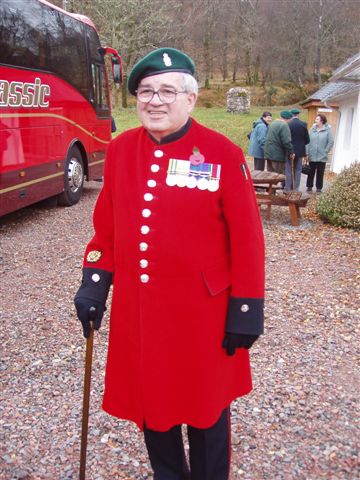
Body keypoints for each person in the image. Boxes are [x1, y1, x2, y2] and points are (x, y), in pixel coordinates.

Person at [74, 47, 265, 480]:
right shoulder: (120, 151)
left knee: (206, 410)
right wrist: (94, 282)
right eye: (145, 92)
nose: (154, 101)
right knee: (152, 405)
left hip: (205, 314)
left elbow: (249, 240)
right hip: (139, 312)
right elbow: (107, 228)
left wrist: (247, 308)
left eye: (166, 91)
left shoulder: (221, 152)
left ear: (190, 99)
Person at [306, 113, 334, 193]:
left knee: (320, 172)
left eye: (317, 119)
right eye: (316, 119)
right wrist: (307, 152)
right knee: (310, 171)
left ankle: (319, 188)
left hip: (322, 156)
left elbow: (331, 141)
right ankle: (309, 186)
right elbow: (307, 141)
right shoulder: (312, 129)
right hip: (312, 154)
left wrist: (326, 151)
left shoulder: (327, 130)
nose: (315, 120)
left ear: (322, 121)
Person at [264, 110, 294, 176]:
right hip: (277, 155)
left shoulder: (273, 123)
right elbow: (286, 142)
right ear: (288, 119)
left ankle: (271, 186)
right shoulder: (284, 125)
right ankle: (276, 186)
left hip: (269, 152)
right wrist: (291, 152)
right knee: (277, 176)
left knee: (270, 175)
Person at [286, 108, 310, 192]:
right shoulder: (303, 124)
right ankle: (296, 188)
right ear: (298, 115)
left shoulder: (288, 124)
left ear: (291, 115)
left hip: (289, 150)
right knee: (298, 170)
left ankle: (287, 188)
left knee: (288, 170)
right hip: (300, 151)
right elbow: (307, 140)